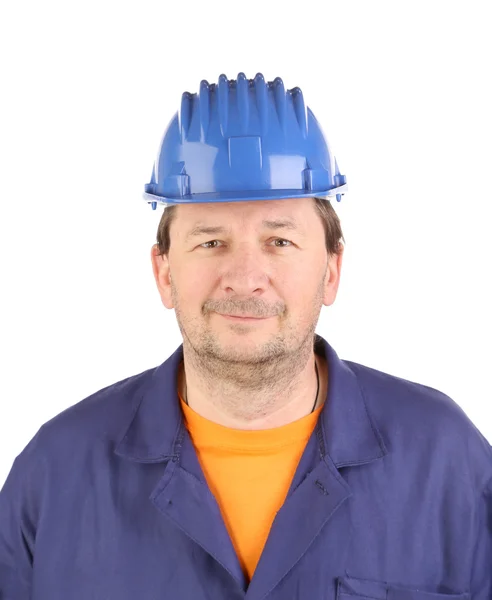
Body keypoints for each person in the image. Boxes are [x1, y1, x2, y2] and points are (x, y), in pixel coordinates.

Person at [1, 72, 491, 599]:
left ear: (331, 270)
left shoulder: (447, 462)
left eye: (279, 240)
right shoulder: (54, 476)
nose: (245, 276)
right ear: (164, 272)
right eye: (211, 243)